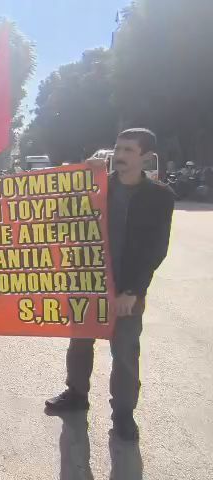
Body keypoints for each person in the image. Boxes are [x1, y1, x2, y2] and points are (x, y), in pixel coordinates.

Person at [45, 128, 174, 442]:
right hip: (87, 281)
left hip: (127, 289)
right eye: (118, 148)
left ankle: (124, 415)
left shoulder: (160, 196)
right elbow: (61, 219)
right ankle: (76, 394)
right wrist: (82, 180)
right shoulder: (97, 185)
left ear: (146, 157)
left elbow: (156, 249)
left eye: (129, 150)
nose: (120, 156)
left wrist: (133, 290)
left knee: (125, 351)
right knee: (80, 343)